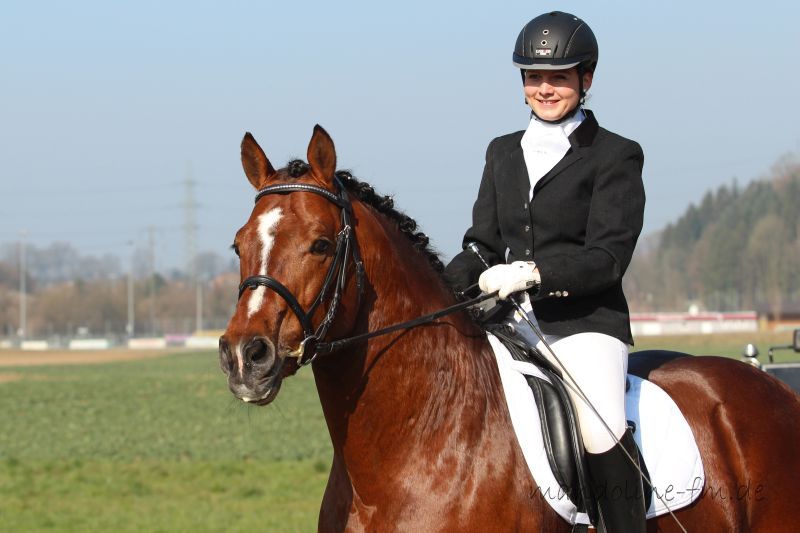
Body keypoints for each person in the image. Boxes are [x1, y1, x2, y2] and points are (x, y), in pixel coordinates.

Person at [443, 11, 646, 533]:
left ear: (587, 78)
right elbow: (481, 244)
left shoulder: (615, 156)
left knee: (600, 425)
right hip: (510, 323)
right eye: (534, 77)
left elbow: (607, 258)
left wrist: (531, 273)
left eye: (558, 76)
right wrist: (438, 286)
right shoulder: (502, 152)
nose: (545, 88)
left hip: (583, 325)